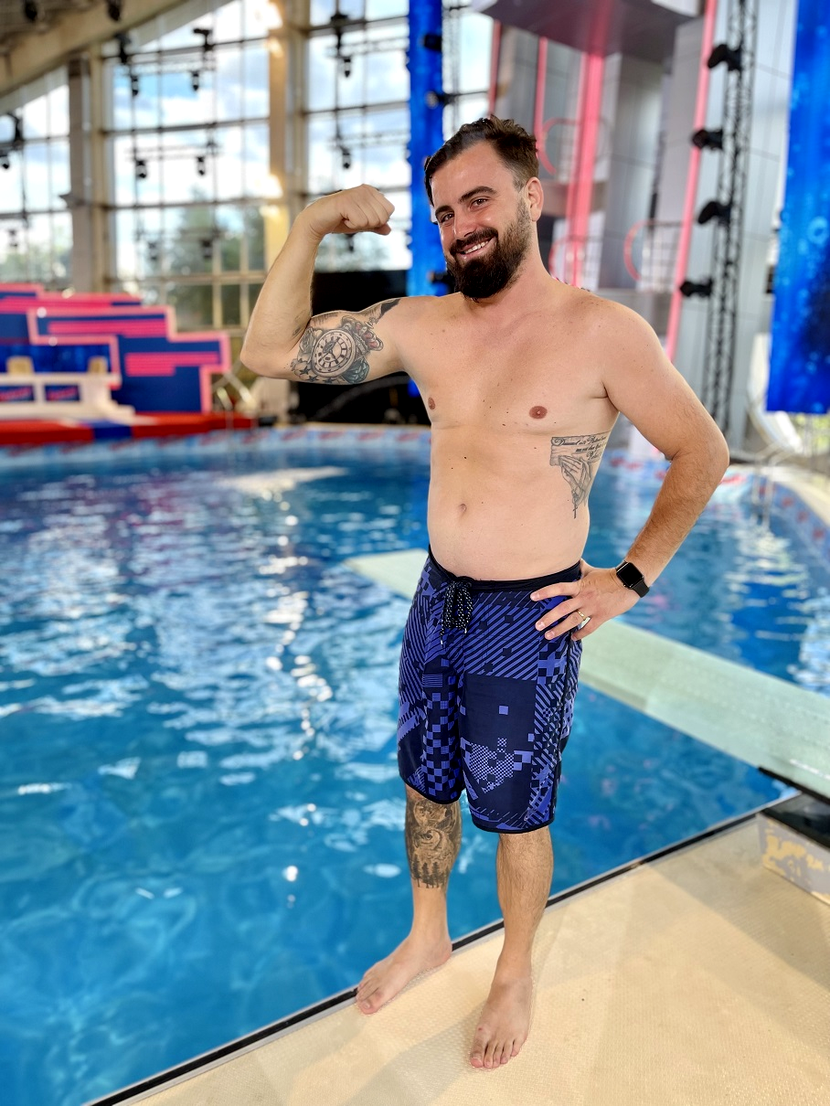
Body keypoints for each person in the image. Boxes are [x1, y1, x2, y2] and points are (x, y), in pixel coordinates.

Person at [241, 117, 729, 1071]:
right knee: (425, 785)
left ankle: (513, 966)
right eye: (443, 212)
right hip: (439, 600)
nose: (460, 225)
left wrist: (630, 579)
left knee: (518, 813)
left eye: (478, 200)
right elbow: (269, 353)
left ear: (530, 197)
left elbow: (700, 450)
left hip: (529, 615)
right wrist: (310, 224)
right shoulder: (422, 326)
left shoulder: (601, 332)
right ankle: (429, 935)